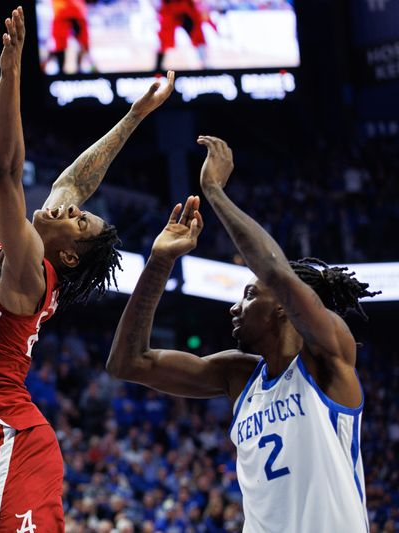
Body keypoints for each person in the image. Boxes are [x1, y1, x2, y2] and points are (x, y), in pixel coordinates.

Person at [0, 6, 175, 532]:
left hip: (12, 435)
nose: (68, 207)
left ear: (68, 255)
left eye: (77, 221)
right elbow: (76, 182)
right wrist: (134, 117)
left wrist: (11, 76)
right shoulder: (41, 251)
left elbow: (3, 172)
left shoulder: (30, 270)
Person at [106, 136, 378, 532]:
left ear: (283, 307)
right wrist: (160, 261)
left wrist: (214, 191)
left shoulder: (328, 355)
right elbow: (128, 363)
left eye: (249, 295)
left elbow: (276, 274)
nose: (235, 306)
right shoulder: (238, 376)